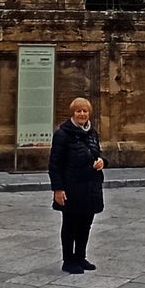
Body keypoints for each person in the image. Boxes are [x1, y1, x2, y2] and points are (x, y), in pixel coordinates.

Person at [49, 96, 105, 274]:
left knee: (85, 224)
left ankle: (80, 256)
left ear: (89, 113)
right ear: (73, 113)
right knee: (70, 225)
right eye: (78, 111)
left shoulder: (93, 133)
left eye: (85, 111)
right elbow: (55, 164)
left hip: (91, 186)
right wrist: (58, 189)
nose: (82, 114)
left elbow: (98, 153)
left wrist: (102, 161)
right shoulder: (62, 134)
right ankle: (68, 260)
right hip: (72, 187)